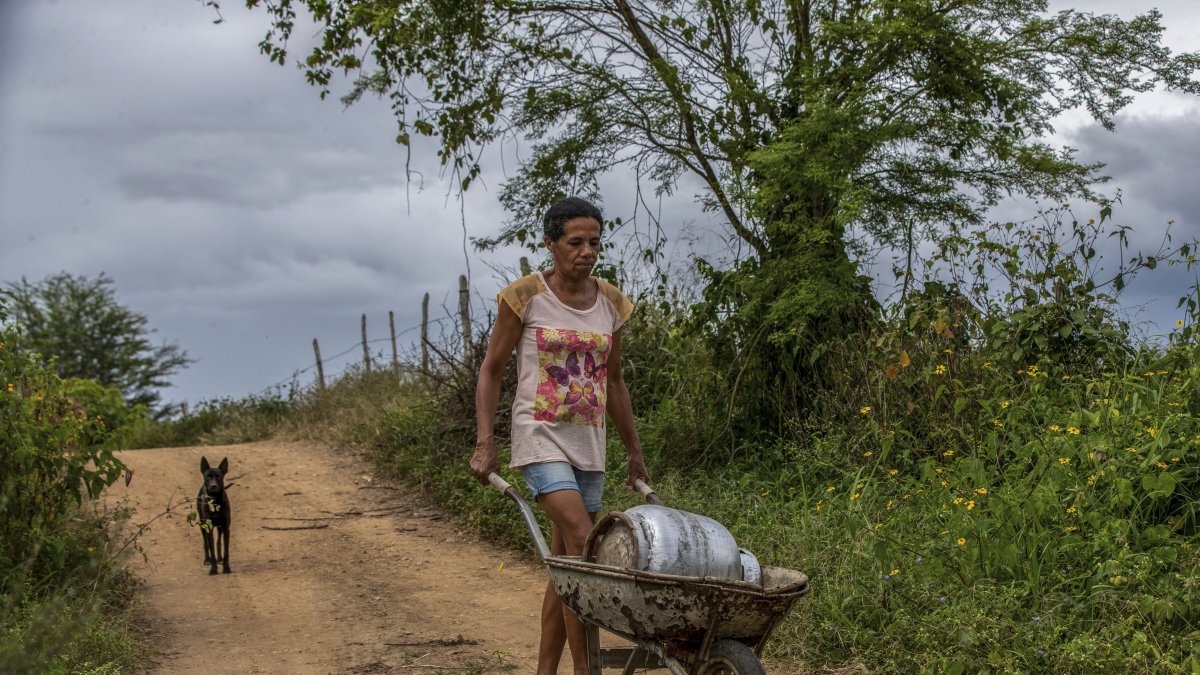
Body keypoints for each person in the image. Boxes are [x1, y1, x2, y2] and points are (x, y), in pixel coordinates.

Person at [470, 196, 649, 675]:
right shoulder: (525, 297)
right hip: (540, 437)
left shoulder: (610, 303)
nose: (587, 252)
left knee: (567, 563)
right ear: (550, 244)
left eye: (594, 242)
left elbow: (614, 381)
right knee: (584, 544)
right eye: (575, 242)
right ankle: (586, 670)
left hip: (588, 444)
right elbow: (491, 370)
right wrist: (486, 441)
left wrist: (634, 453)